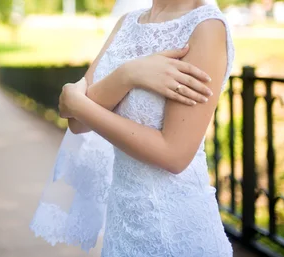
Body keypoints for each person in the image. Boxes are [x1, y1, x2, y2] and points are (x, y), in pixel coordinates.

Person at [30, 0, 234, 256]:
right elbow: (77, 123)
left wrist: (79, 104)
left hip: (174, 231)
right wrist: (127, 75)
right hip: (122, 229)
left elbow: (174, 155)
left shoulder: (206, 27)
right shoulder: (127, 22)